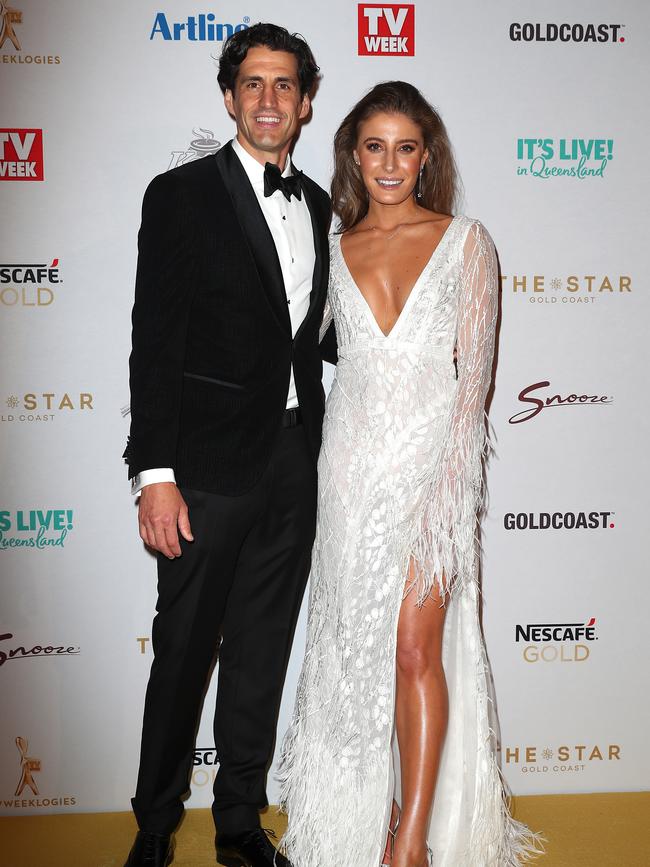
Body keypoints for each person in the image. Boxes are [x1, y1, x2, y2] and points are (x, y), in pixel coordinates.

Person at [278, 82, 542, 867]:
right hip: (349, 473)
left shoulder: (467, 241)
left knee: (414, 649)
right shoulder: (331, 247)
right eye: (373, 146)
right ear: (352, 155)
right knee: (356, 650)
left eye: (405, 146)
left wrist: (446, 493)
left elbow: (476, 387)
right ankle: (362, 812)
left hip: (433, 470)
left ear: (427, 156)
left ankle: (411, 841)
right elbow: (283, 349)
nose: (389, 163)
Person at [122, 23, 335, 867]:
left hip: (293, 462)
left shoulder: (320, 205)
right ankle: (152, 828)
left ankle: (239, 823)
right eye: (253, 84)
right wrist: (155, 473)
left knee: (260, 653)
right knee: (181, 658)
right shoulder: (178, 195)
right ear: (228, 96)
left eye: (285, 85)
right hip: (201, 472)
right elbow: (155, 341)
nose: (269, 100)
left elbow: (317, 338)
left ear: (306, 101)